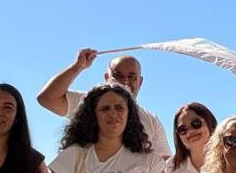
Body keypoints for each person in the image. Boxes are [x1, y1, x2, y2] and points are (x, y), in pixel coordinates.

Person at [36, 47, 171, 158]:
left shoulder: (152, 120)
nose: (125, 81)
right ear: (107, 78)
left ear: (140, 82)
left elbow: (164, 164)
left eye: (132, 77)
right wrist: (78, 66)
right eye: (118, 75)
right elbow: (47, 98)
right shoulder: (87, 104)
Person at [166, 103, 216, 173]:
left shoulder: (229, 164)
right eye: (182, 129)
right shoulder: (170, 167)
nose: (190, 131)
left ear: (210, 124)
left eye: (196, 123)